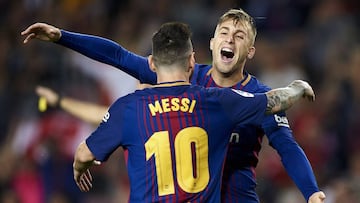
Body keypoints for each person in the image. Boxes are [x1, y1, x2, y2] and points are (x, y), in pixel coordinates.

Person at [22, 8, 326, 203]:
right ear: (209, 44)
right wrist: (62, 36)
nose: (230, 39)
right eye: (224, 32)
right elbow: (118, 56)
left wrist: (311, 192)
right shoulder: (185, 76)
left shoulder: (258, 96)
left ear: (250, 50)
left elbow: (288, 148)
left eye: (239, 35)